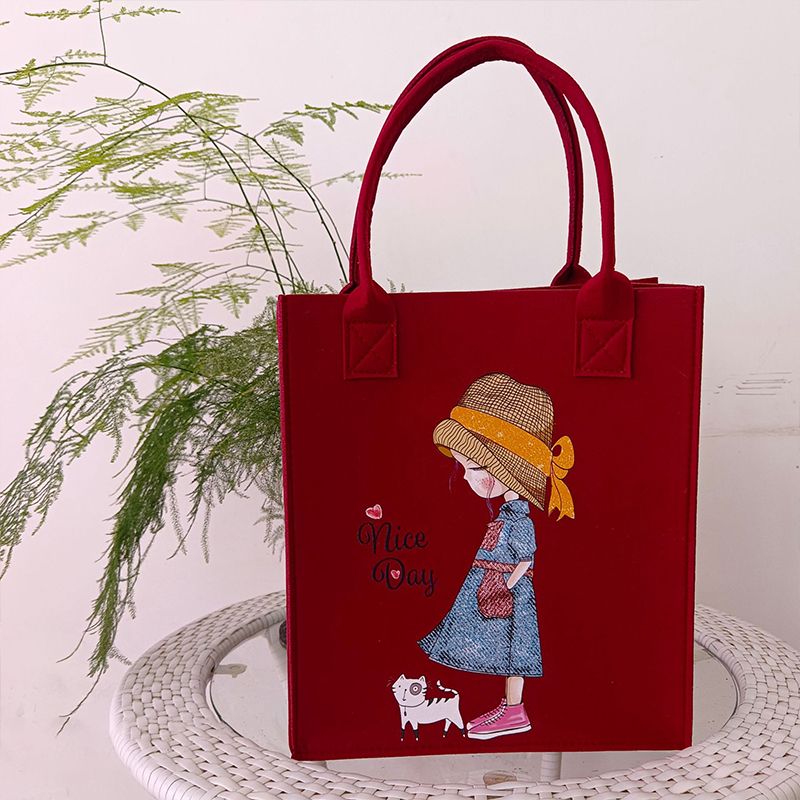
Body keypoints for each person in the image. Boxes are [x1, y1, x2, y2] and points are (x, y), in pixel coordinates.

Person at [417, 372, 575, 740]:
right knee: (503, 649)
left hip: (505, 590)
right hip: (493, 584)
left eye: (474, 468)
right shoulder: (507, 514)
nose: (466, 478)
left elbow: (526, 559)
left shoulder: (518, 518)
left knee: (513, 650)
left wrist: (505, 586)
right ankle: (510, 708)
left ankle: (515, 710)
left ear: (508, 470)